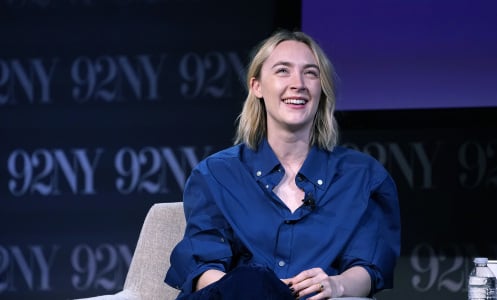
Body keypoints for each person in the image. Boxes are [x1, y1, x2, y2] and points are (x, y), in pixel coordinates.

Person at [164, 30, 401, 300]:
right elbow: (204, 266)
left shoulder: (364, 178)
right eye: (283, 71)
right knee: (251, 281)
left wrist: (336, 285)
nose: (298, 83)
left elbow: (368, 267)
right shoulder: (216, 174)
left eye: (311, 73)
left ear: (321, 89)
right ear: (257, 86)